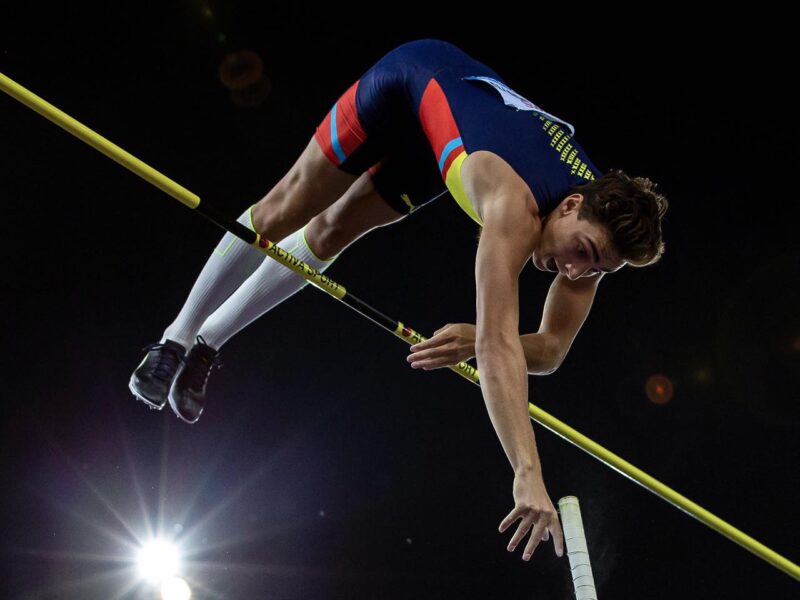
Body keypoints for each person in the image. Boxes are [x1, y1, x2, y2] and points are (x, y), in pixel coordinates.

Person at [129, 38, 668, 562]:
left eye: (596, 270)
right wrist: (527, 469)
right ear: (572, 204)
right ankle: (172, 341)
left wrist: (479, 341)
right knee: (284, 210)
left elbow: (548, 350)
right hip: (412, 77)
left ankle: (206, 344)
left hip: (443, 136)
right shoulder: (514, 207)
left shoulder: (596, 241)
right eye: (583, 253)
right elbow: (501, 343)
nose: (574, 271)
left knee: (333, 230)